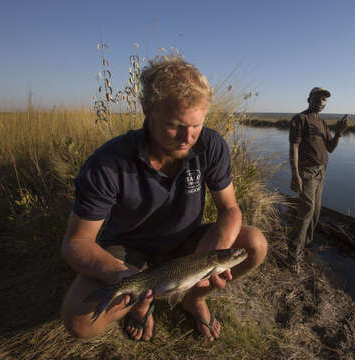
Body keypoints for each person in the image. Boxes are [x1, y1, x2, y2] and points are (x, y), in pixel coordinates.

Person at [60, 57, 267, 342]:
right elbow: (76, 242)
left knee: (254, 244)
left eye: (196, 125)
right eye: (176, 125)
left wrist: (211, 256)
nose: (187, 137)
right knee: (80, 322)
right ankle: (139, 303)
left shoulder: (210, 144)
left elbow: (230, 209)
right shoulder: (108, 163)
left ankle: (192, 299)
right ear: (148, 111)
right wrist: (119, 275)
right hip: (128, 248)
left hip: (187, 244)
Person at [288, 87, 348, 271]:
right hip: (306, 172)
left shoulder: (322, 123)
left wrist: (338, 133)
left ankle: (306, 244)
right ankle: (293, 256)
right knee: (307, 209)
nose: (322, 101)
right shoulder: (300, 119)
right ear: (309, 98)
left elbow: (330, 148)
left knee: (316, 211)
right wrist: (295, 174)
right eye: (319, 97)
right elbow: (294, 147)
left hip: (321, 172)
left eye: (325, 99)